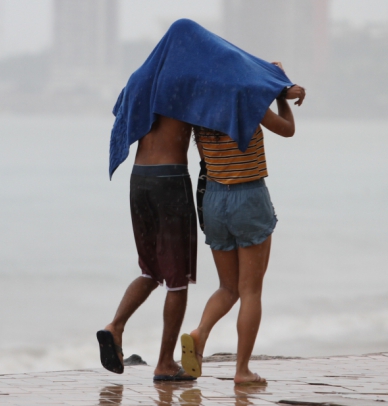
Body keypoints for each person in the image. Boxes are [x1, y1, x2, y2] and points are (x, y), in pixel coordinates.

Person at [180, 71, 306, 385]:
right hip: (248, 196)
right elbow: (288, 130)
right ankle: (242, 371)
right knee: (251, 291)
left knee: (228, 287)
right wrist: (279, 96)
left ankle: (200, 333)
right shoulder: (249, 103)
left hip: (214, 200)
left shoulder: (199, 112)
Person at [97, 115, 198, 382]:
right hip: (170, 178)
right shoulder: (185, 78)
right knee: (177, 280)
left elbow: (123, 110)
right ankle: (164, 363)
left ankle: (115, 326)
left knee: (150, 270)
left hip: (139, 178)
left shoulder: (143, 78)